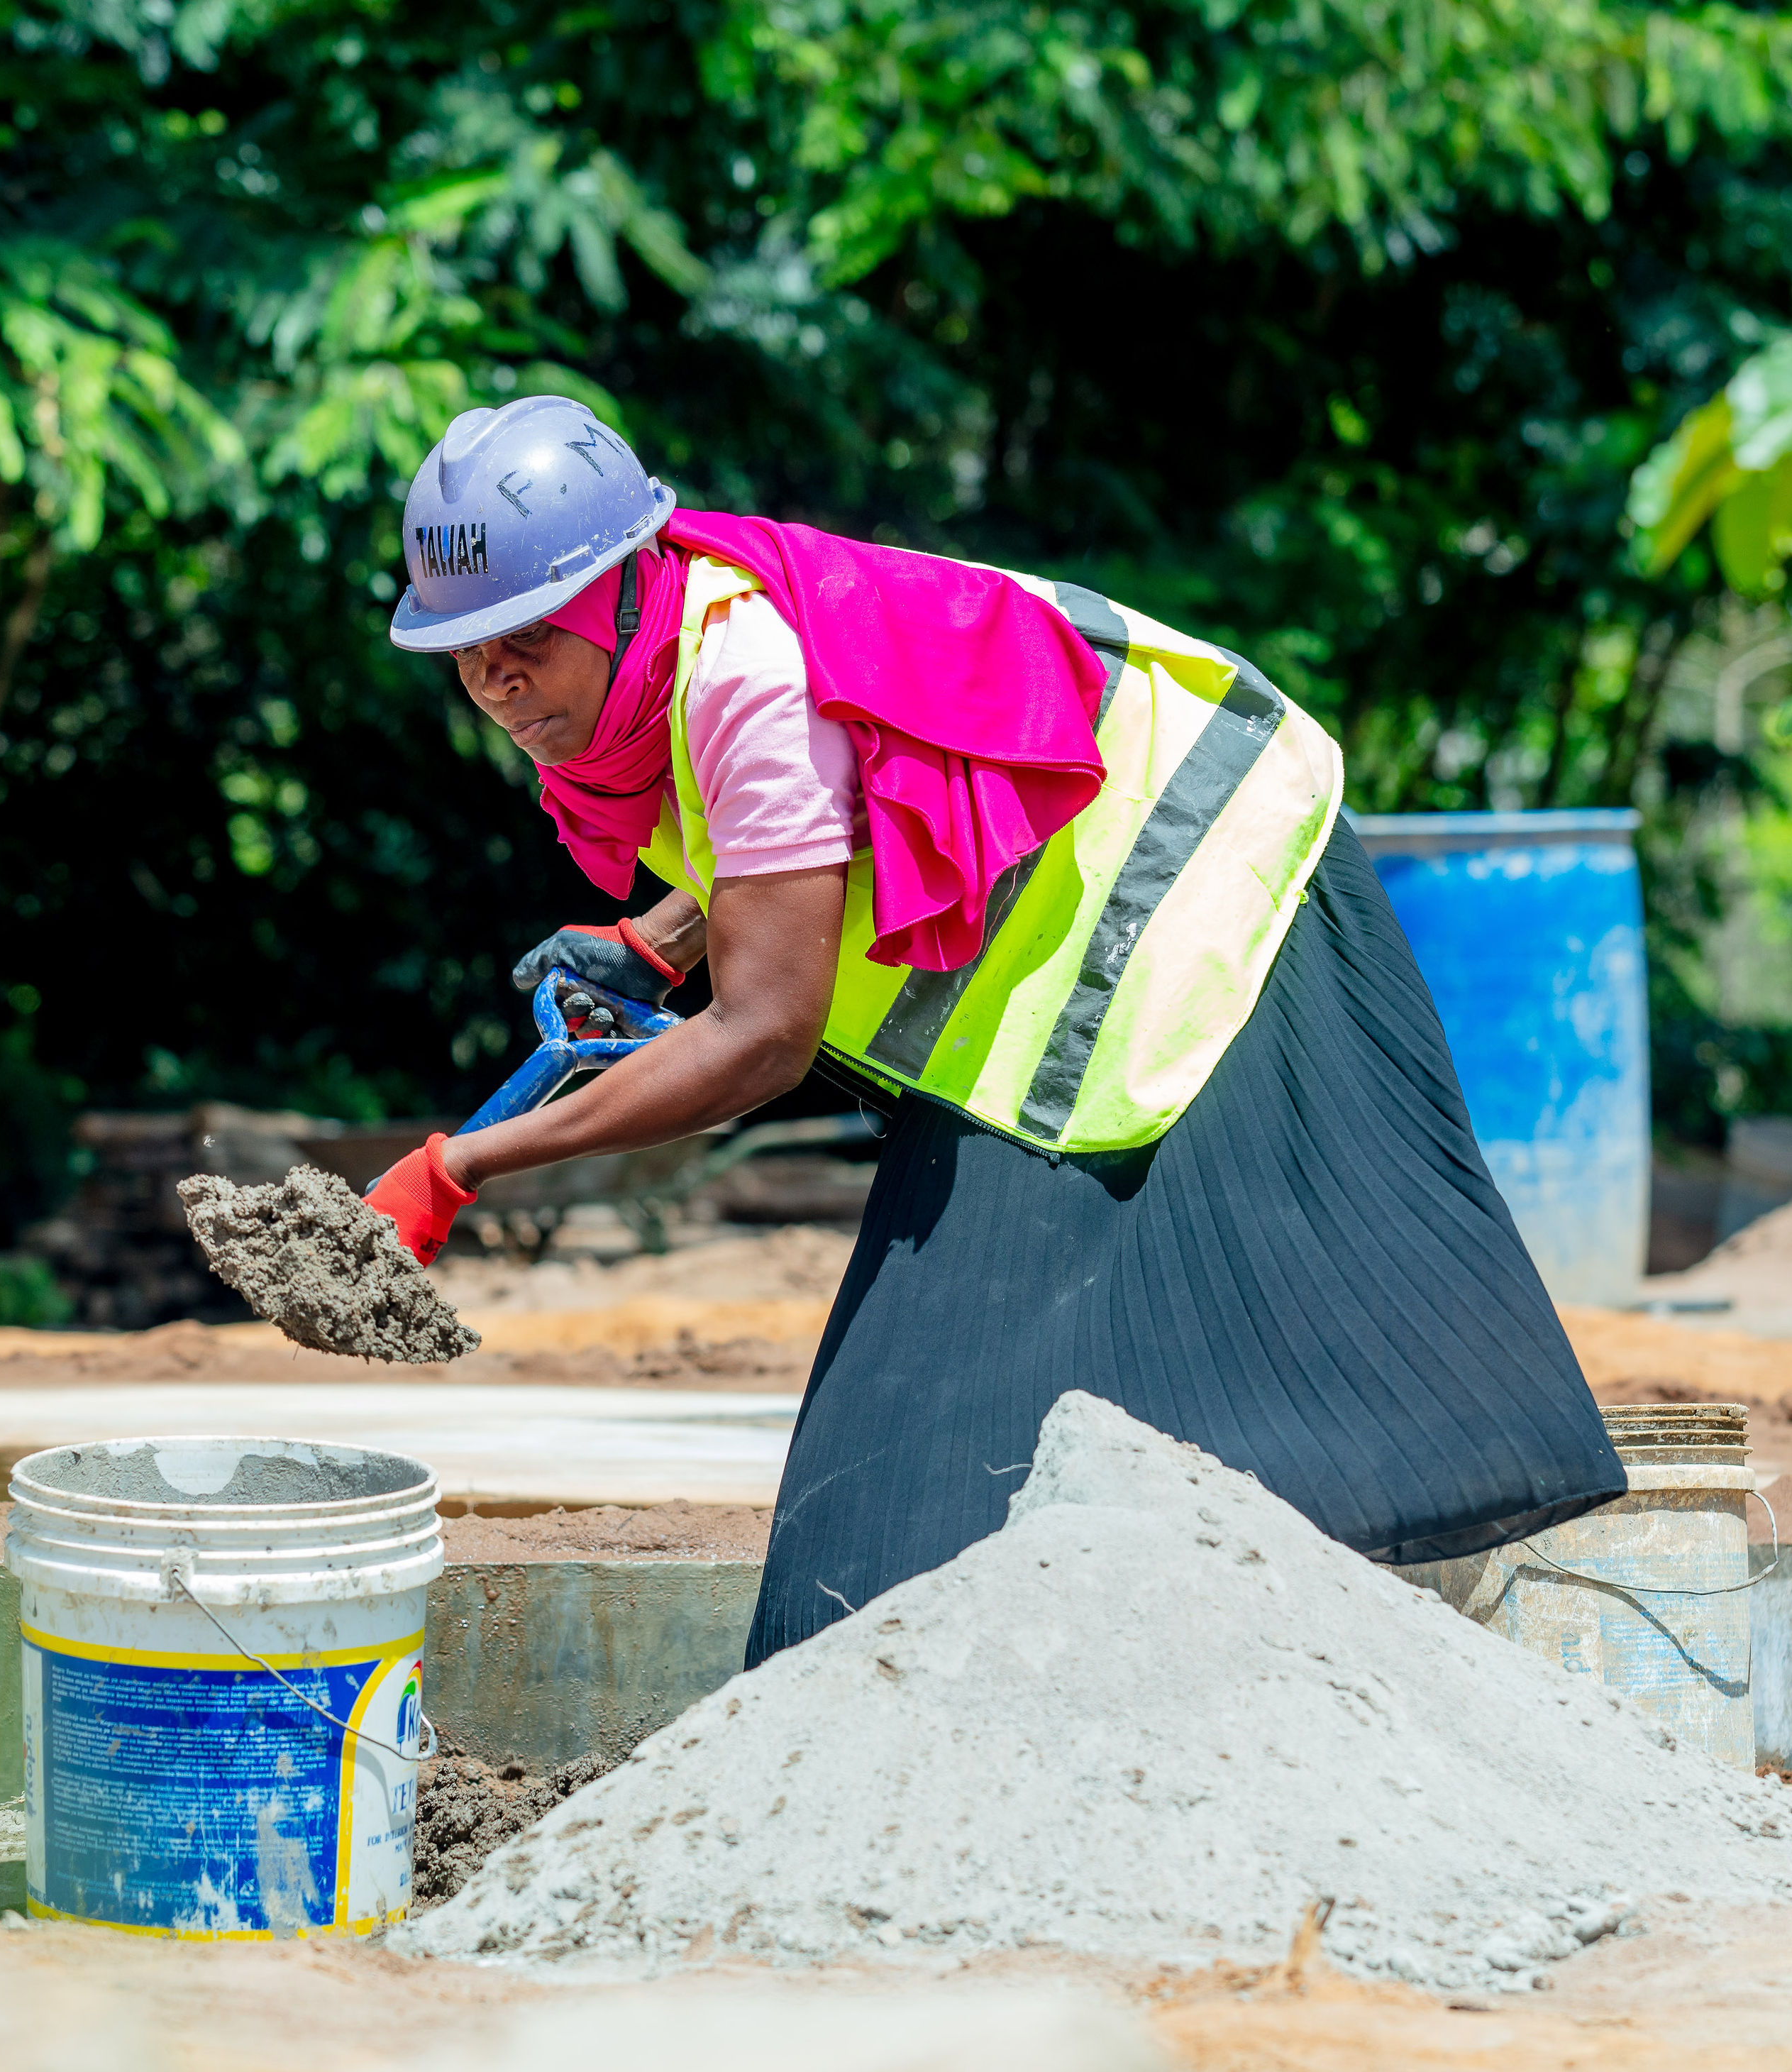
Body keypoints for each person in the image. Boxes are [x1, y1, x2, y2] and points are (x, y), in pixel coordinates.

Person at [367, 394, 1625, 1666]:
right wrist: (660, 940)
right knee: (1014, 1451)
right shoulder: (667, 667)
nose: (495, 680)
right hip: (1087, 964)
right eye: (466, 654)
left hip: (1204, 895)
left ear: (627, 592)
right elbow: (824, 813)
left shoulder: (740, 671)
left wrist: (464, 1165)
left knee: (908, 1511)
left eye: (527, 637)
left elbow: (761, 1039)